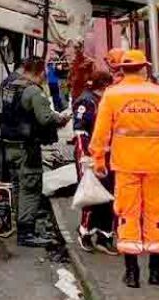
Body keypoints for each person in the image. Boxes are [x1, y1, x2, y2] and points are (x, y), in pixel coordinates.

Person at [89, 50, 159, 289]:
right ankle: (156, 271)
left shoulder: (111, 95)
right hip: (155, 163)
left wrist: (98, 160)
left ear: (122, 69)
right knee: (155, 213)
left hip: (125, 164)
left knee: (127, 213)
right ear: (143, 68)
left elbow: (100, 132)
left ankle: (131, 273)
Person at [0, 56, 72, 247]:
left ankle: (18, 222)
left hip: (9, 143)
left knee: (17, 185)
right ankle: (26, 233)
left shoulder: (8, 83)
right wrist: (61, 119)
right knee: (30, 187)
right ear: (40, 72)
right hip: (26, 146)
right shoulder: (32, 90)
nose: (44, 79)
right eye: (44, 76)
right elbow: (45, 119)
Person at [72, 71, 117, 255]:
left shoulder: (102, 101)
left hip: (107, 155)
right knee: (91, 195)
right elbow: (80, 131)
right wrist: (85, 157)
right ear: (104, 85)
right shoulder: (87, 101)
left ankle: (105, 236)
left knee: (108, 196)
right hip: (91, 155)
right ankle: (85, 233)